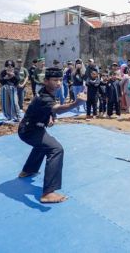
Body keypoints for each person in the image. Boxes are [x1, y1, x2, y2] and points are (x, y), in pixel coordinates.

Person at [17, 67, 87, 203]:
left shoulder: (47, 91)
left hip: (31, 128)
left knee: (43, 145)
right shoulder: (44, 96)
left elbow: (50, 108)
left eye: (60, 80)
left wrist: (50, 116)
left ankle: (28, 170)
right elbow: (57, 109)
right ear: (46, 81)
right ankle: (48, 193)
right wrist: (76, 103)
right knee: (56, 149)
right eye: (55, 80)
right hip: (29, 131)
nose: (59, 83)